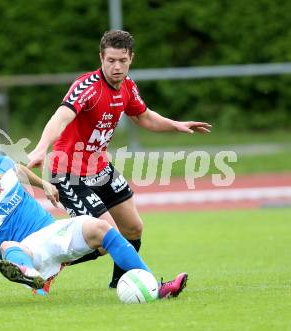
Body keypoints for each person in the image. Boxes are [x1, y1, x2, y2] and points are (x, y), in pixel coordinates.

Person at [27, 30, 212, 288]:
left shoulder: (128, 86)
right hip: (69, 174)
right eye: (111, 60)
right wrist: (41, 148)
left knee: (133, 228)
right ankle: (41, 267)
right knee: (105, 239)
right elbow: (61, 117)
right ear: (101, 57)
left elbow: (143, 116)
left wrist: (175, 125)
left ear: (131, 59)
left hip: (101, 169)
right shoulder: (87, 87)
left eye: (122, 60)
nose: (116, 66)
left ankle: (121, 284)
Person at [0, 146, 187, 304]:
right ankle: (31, 275)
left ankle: (157, 287)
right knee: (8, 246)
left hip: (53, 233)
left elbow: (18, 169)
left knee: (101, 228)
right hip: (26, 251)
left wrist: (44, 185)